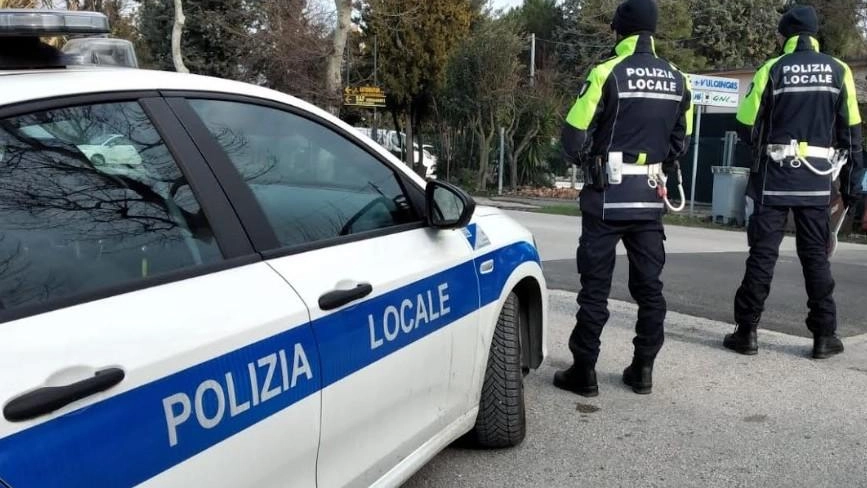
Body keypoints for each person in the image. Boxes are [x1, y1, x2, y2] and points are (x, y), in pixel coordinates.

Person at [553, 0, 693, 396]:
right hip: (649, 199)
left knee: (595, 288)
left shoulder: (606, 72)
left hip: (606, 195)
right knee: (650, 288)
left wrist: (589, 159)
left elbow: (573, 135)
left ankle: (585, 372)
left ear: (619, 30)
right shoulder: (679, 79)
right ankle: (643, 369)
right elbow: (681, 141)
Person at [727, 5, 864, 359]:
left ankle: (747, 333)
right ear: (815, 34)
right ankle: (823, 336)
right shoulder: (839, 70)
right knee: (816, 257)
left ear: (785, 35)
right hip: (817, 179)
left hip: (774, 176)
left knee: (762, 255)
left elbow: (745, 123)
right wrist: (851, 183)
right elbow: (851, 132)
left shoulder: (773, 69)